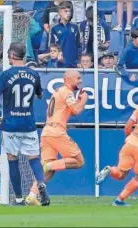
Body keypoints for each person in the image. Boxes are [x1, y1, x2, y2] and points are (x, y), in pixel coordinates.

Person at [0, 42, 50, 206]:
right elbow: (40, 96)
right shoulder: (34, 74)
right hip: (28, 123)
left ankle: (19, 199)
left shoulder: (6, 75)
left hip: (10, 124)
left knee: (12, 159)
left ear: (12, 55)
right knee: (34, 158)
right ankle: (41, 183)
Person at [26, 70, 88, 205]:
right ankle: (45, 165)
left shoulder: (58, 92)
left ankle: (31, 195)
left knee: (51, 171)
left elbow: (68, 111)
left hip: (47, 132)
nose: (80, 81)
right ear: (69, 79)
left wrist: (77, 101)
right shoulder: (66, 91)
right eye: (78, 78)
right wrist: (83, 100)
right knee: (79, 161)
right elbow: (77, 111)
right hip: (56, 132)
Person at [50, 1, 80, 68]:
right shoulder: (54, 28)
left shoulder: (75, 27)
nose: (68, 13)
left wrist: (78, 61)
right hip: (59, 64)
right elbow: (52, 47)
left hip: (73, 63)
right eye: (66, 11)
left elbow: (78, 46)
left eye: (70, 11)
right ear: (60, 12)